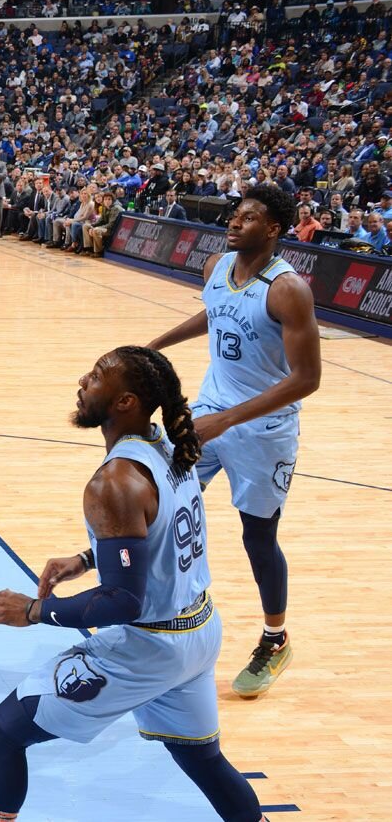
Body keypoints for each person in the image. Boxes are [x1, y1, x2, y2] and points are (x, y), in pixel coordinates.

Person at [0, 346, 268, 822]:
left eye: (95, 377)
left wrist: (34, 611)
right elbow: (158, 532)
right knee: (201, 758)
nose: (82, 382)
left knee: (2, 732)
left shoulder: (114, 481)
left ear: (125, 401)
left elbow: (123, 601)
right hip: (199, 631)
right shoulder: (170, 445)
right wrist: (89, 557)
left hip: (150, 648)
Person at [147, 184, 320, 698]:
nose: (235, 221)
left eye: (249, 217)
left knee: (257, 537)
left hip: (264, 430)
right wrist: (157, 345)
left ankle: (275, 637)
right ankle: (148, 607)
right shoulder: (216, 268)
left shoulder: (288, 289)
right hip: (210, 410)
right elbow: (217, 313)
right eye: (235, 213)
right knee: (159, 495)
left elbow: (307, 378)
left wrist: (227, 422)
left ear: (273, 229)